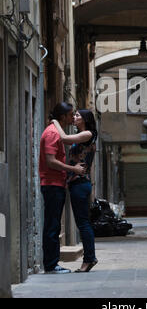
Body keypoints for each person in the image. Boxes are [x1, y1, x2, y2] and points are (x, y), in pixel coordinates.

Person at [39, 102, 86, 274]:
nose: (72, 118)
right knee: (52, 226)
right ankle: (51, 265)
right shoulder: (52, 133)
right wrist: (73, 169)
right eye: (70, 115)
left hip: (55, 184)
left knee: (53, 225)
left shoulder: (55, 130)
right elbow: (51, 161)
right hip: (52, 185)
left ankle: (52, 263)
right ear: (62, 116)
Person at [52, 109, 98, 273]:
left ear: (85, 119)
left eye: (78, 115)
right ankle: (89, 258)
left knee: (83, 223)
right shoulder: (83, 134)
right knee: (83, 222)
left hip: (79, 183)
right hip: (77, 183)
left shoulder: (87, 134)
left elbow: (64, 138)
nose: (74, 117)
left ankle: (89, 259)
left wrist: (55, 121)